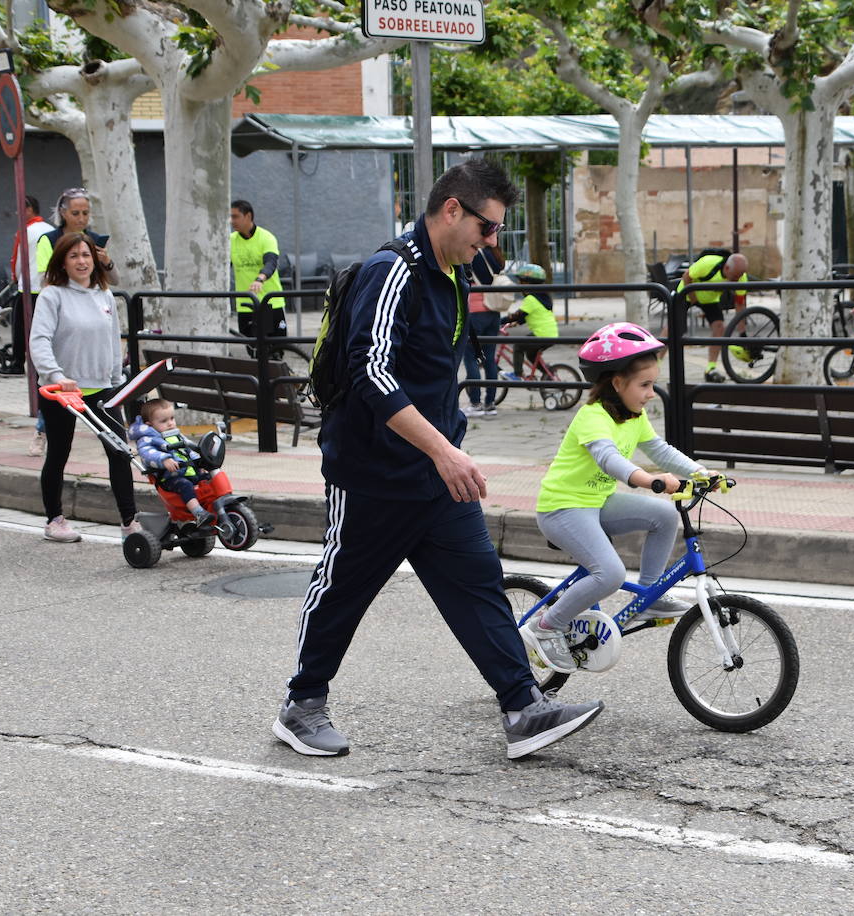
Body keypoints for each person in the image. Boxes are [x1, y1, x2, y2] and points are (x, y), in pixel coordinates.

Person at [273, 158, 604, 761]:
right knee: (343, 588)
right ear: (452, 209)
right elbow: (369, 375)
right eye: (488, 228)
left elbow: (430, 379)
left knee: (478, 586)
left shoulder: (451, 275)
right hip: (372, 475)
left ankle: (523, 707)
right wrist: (445, 449)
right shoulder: (390, 272)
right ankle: (302, 705)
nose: (491, 242)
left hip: (435, 477)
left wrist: (449, 452)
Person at [520, 322, 708, 673]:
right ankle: (544, 627)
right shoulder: (592, 417)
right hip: (563, 508)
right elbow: (609, 459)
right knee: (608, 572)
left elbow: (661, 450)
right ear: (618, 383)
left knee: (663, 516)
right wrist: (649, 480)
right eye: (645, 385)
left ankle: (648, 595)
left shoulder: (634, 416)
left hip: (598, 503)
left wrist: (702, 474)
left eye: (653, 384)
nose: (652, 393)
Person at [30, 232, 138, 544]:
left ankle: (130, 523)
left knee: (119, 453)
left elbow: (113, 340)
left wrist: (118, 381)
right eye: (74, 256)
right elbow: (39, 341)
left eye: (86, 255)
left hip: (102, 388)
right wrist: (55, 374)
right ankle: (55, 519)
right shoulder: (52, 296)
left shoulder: (104, 295)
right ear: (63, 262)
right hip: (61, 390)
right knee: (59, 453)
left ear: (95, 259)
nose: (82, 261)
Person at [128, 399, 237, 540]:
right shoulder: (148, 438)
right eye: (164, 421)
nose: (170, 423)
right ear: (150, 424)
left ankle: (220, 508)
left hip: (188, 472)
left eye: (172, 418)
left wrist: (201, 462)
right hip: (169, 478)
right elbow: (147, 453)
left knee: (209, 479)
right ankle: (198, 513)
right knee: (184, 485)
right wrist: (164, 459)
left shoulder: (174, 434)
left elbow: (188, 450)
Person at [674, 250, 748, 382]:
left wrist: (743, 333)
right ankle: (657, 364)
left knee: (719, 327)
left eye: (739, 276)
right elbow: (686, 276)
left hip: (709, 299)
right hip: (687, 293)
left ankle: (710, 368)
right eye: (735, 276)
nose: (737, 280)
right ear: (727, 268)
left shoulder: (741, 277)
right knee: (672, 328)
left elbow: (740, 305)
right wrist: (693, 298)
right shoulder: (708, 263)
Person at [228, 200, 288, 341]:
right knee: (253, 350)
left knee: (276, 348)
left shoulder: (266, 237)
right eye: (231, 217)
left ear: (248, 216)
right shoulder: (229, 241)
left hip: (271, 302)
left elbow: (271, 262)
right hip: (245, 304)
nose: (232, 221)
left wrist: (260, 279)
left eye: (235, 216)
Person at [8, 194, 54, 376]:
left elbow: (18, 261)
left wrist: (16, 277)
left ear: (28, 209)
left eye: (20, 209)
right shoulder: (50, 229)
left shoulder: (25, 231)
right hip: (47, 286)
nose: (17, 213)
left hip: (28, 287)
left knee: (20, 327)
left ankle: (18, 362)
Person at [462, 245, 505, 417]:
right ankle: (490, 404)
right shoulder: (495, 256)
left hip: (475, 312)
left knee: (471, 357)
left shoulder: (475, 254)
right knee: (489, 359)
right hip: (493, 312)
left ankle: (475, 404)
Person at [502, 263, 557, 378]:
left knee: (518, 346)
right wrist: (516, 323)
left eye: (521, 281)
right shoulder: (542, 297)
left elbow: (518, 315)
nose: (519, 284)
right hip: (550, 334)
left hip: (542, 334)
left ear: (529, 283)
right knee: (531, 355)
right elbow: (526, 316)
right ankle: (548, 374)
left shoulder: (531, 299)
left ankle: (517, 375)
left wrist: (500, 321)